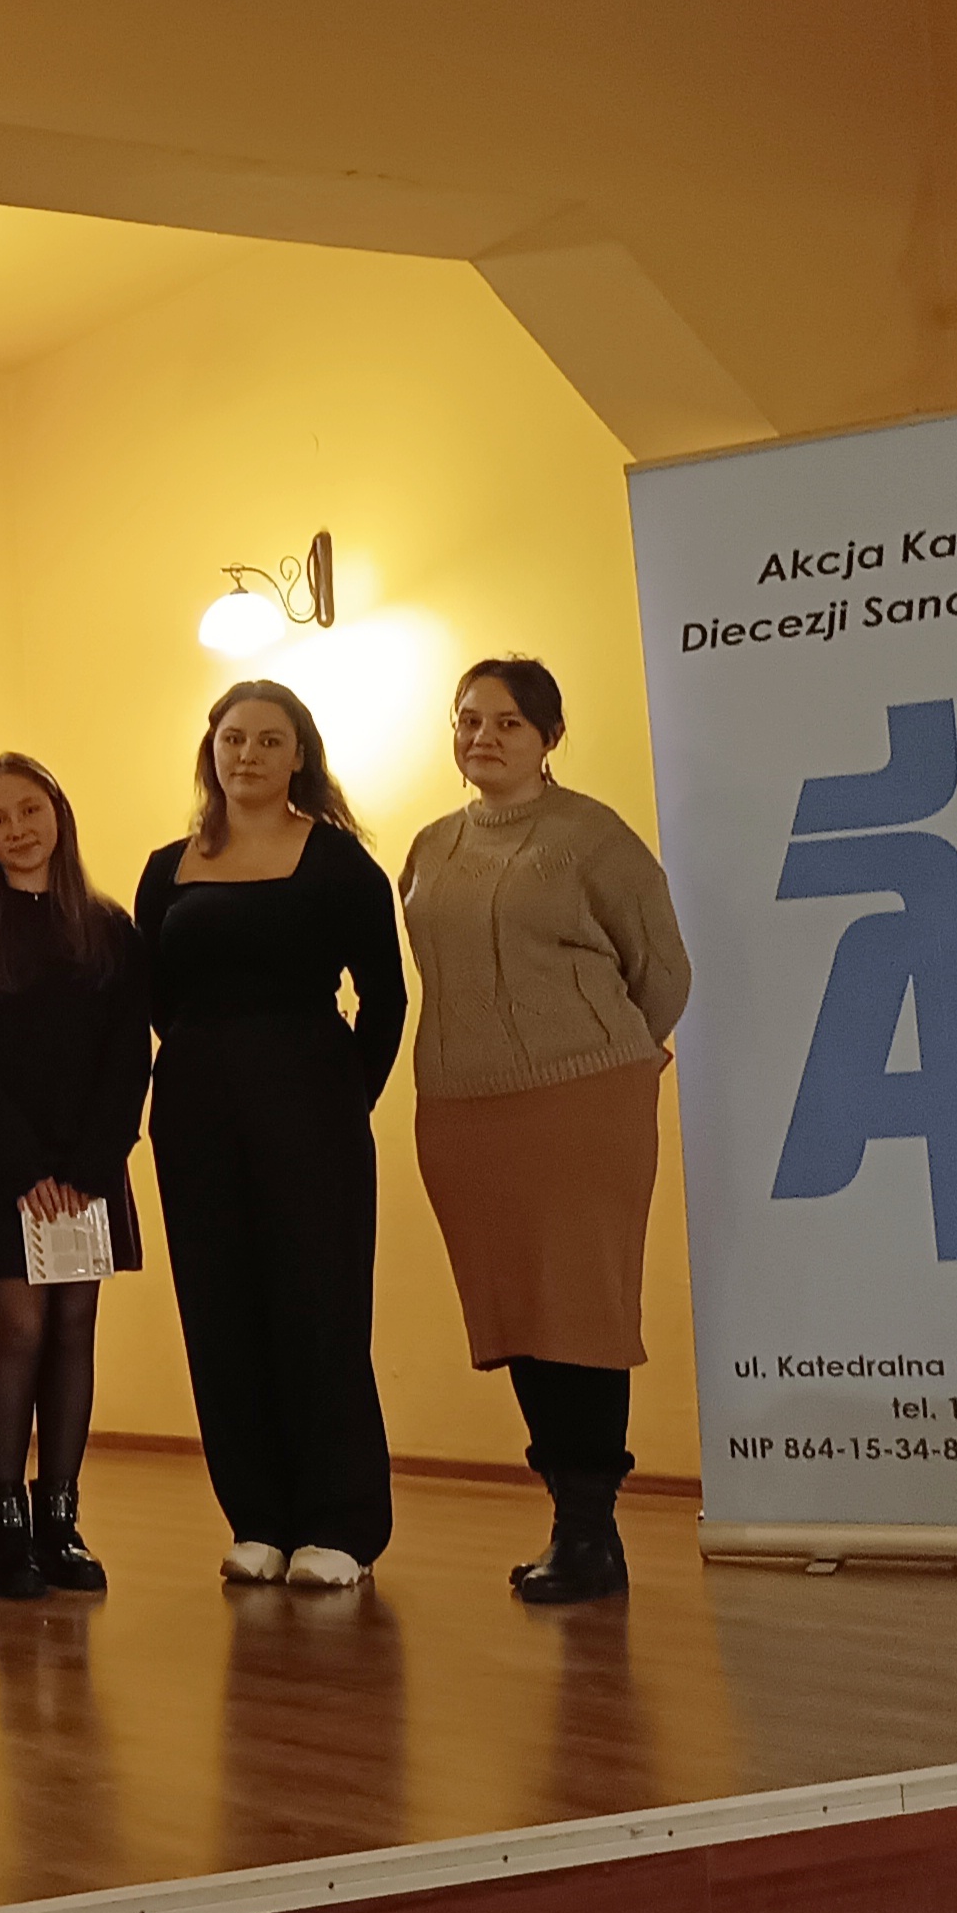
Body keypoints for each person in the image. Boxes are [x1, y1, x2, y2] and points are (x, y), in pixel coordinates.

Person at [401, 657, 688, 1604]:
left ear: (548, 737)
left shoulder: (590, 836)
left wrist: (613, 1055)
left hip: (579, 1103)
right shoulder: (428, 847)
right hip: (460, 1109)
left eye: (507, 723)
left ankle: (589, 1531)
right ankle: (570, 1519)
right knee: (516, 1312)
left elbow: (662, 968)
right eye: (467, 720)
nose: (482, 737)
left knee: (581, 1313)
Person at [133, 679, 406, 1590]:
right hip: (194, 1108)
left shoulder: (338, 862)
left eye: (267, 740)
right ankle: (258, 1519)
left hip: (311, 1104)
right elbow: (152, 995)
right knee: (219, 1310)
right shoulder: (165, 867)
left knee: (319, 1307)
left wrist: (342, 1097)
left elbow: (385, 996)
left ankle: (340, 1525)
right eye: (232, 738)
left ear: (299, 757)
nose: (246, 754)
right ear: (209, 750)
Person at [0, 753, 149, 1601]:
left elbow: (127, 1056)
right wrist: (25, 1171)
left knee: (73, 1331)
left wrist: (88, 1168)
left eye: (29, 810)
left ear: (57, 813)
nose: (16, 829)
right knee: (18, 1332)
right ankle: (7, 1525)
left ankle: (61, 1520)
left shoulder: (108, 926)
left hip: (87, 1167)